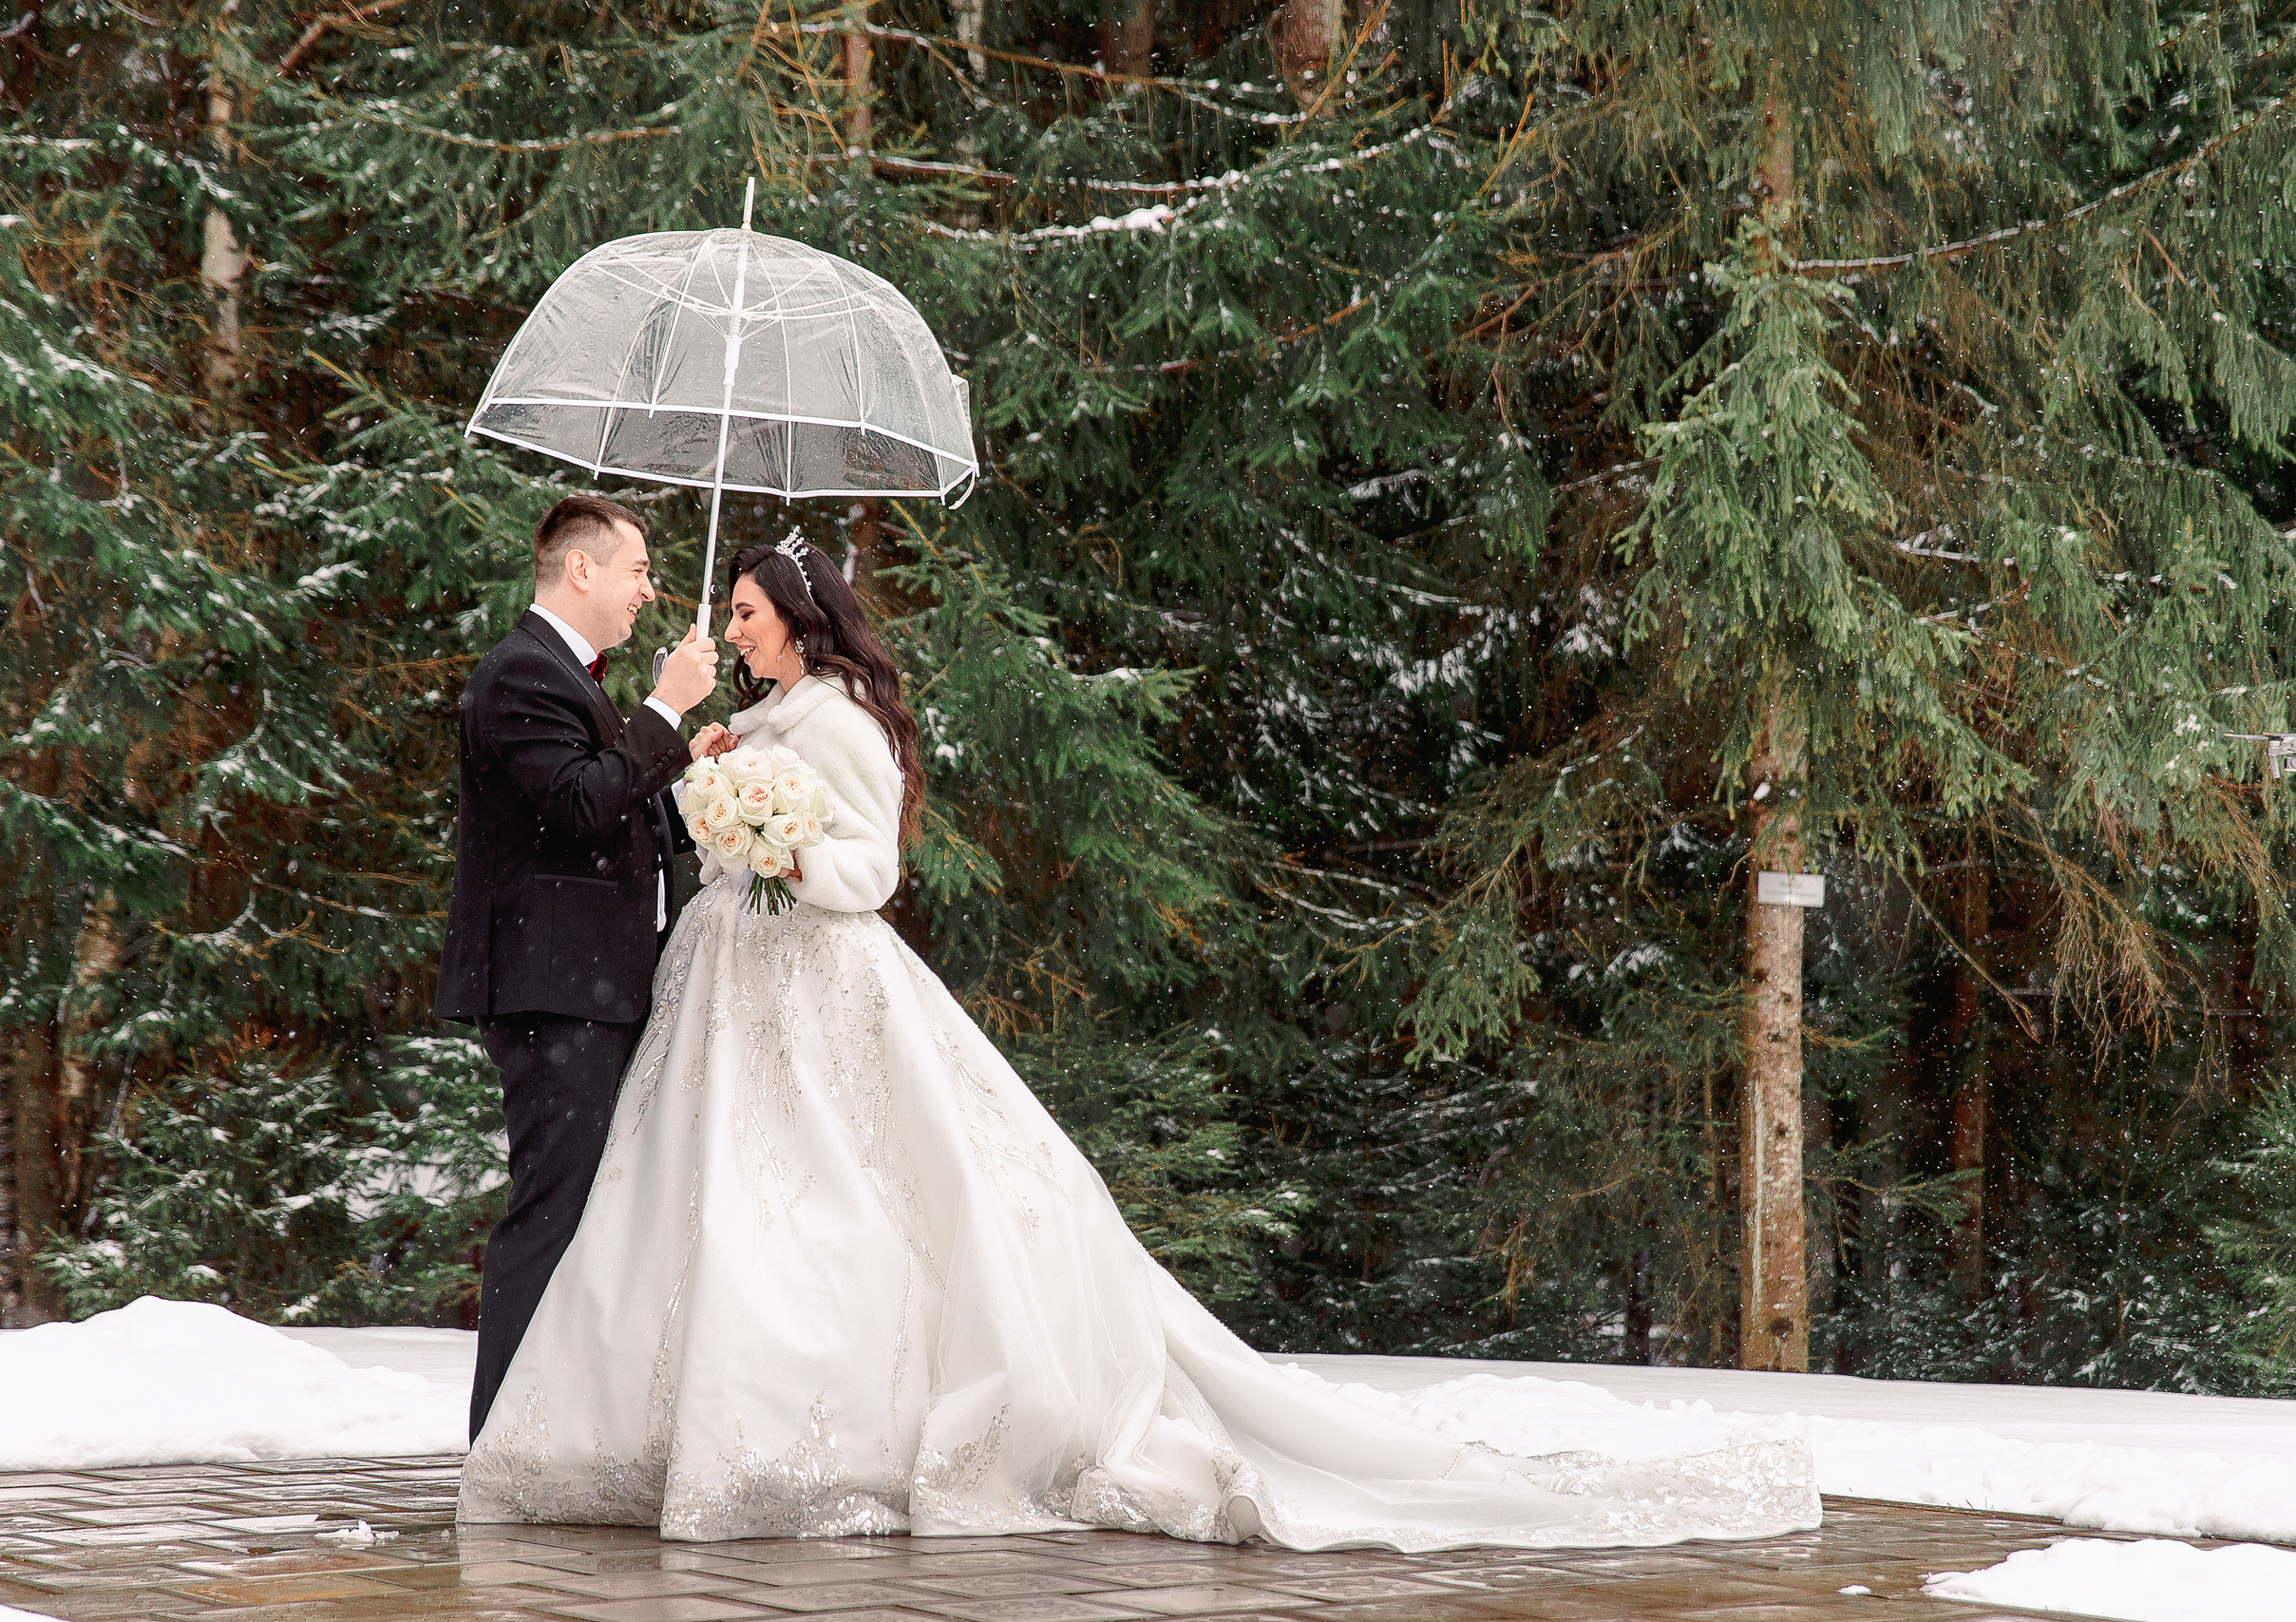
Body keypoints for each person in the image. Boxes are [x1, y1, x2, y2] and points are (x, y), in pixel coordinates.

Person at [457, 533, 1817, 1549]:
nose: (730, 626)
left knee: (838, 1207)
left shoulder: (838, 722)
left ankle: (817, 1434)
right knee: (708, 1212)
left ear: (799, 622)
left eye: (747, 612)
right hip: (722, 990)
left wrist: (773, 844)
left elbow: (866, 871)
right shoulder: (748, 720)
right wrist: (708, 783)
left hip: (816, 985)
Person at [435, 493, 721, 1443]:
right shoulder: (521, 672)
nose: (649, 590)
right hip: (554, 992)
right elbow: (576, 804)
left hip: (594, 987)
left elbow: (613, 824)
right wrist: (665, 706)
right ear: (580, 568)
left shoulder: (568, 677)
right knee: (552, 1212)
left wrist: (695, 781)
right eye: (638, 570)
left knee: (590, 1213)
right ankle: (500, 1446)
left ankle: (553, 1434)